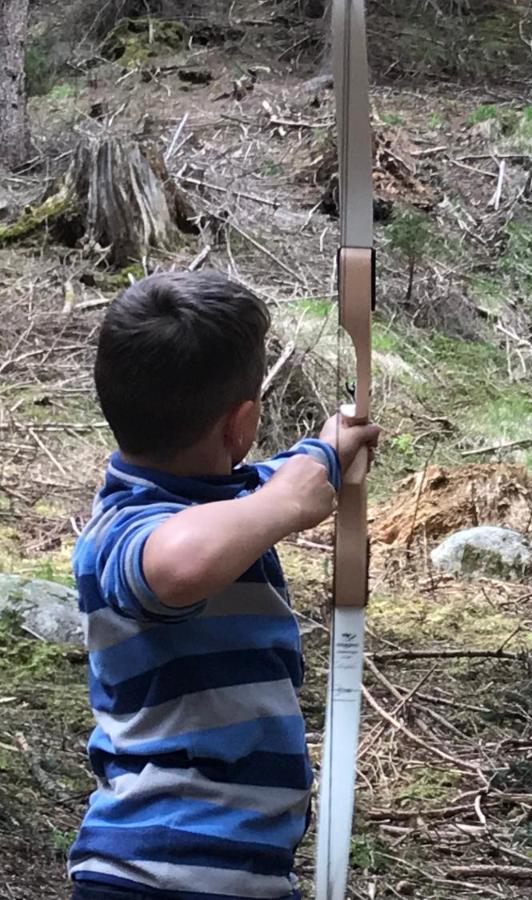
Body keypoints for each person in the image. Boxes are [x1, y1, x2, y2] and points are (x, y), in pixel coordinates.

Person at [67, 271, 380, 899]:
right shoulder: (122, 531)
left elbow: (267, 483)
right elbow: (177, 565)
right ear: (239, 424)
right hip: (159, 870)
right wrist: (283, 508)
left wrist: (325, 449)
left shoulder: (230, 496)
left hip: (232, 870)